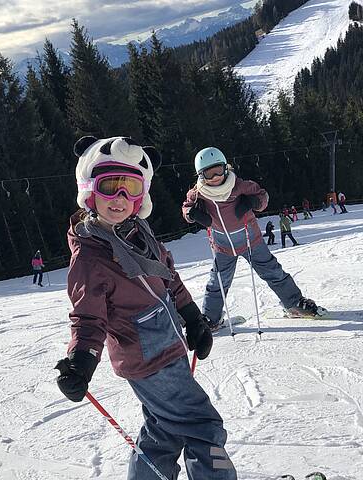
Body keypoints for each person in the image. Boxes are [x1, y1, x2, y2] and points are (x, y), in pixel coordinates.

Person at [55, 136, 237, 480]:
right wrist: (81, 361)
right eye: (110, 187)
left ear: (142, 193)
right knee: (202, 424)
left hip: (168, 346)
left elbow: (168, 275)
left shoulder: (138, 231)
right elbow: (87, 318)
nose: (120, 199)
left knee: (163, 430)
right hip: (148, 359)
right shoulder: (90, 256)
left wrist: (193, 318)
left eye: (131, 187)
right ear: (90, 189)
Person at [182, 146, 325, 331]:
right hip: (222, 247)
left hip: (251, 240)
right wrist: (191, 214)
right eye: (209, 174)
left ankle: (294, 303)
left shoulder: (240, 185)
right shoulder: (198, 193)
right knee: (217, 282)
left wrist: (254, 202)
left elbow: (262, 196)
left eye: (218, 170)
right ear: (201, 176)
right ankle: (211, 318)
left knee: (272, 271)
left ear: (226, 168)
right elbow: (186, 207)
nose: (215, 177)